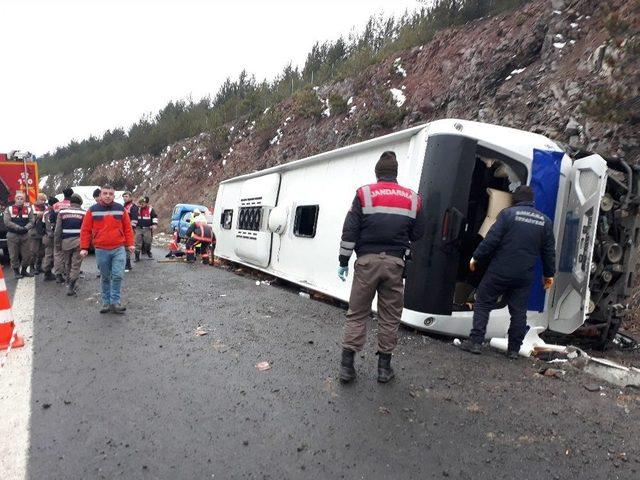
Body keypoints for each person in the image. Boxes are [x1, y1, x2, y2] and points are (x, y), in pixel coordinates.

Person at [337, 151, 425, 384]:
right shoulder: (413, 198)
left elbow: (350, 231)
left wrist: (343, 261)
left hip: (367, 263)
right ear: (395, 174)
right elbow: (418, 233)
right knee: (389, 317)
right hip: (395, 265)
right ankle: (384, 370)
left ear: (377, 173)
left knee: (357, 313)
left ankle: (347, 368)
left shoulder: (364, 194)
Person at [458, 185, 556, 359]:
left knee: (483, 301)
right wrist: (549, 274)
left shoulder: (507, 214)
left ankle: (475, 342)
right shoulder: (545, 221)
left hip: (500, 271)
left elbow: (491, 240)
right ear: (532, 201)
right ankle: (513, 350)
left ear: (516, 199)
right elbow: (548, 252)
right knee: (518, 312)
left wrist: (476, 257)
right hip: (524, 275)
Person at [79, 185, 135, 314]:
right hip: (101, 249)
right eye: (105, 193)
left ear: (114, 195)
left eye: (110, 193)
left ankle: (115, 302)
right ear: (101, 195)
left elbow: (127, 228)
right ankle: (106, 302)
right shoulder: (92, 210)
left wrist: (130, 243)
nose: (108, 196)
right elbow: (85, 230)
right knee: (105, 277)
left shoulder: (120, 209)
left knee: (117, 275)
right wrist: (84, 247)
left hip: (118, 248)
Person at [54, 194, 86, 296]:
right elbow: (86, 230)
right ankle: (72, 285)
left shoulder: (62, 212)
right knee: (75, 265)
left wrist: (57, 244)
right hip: (79, 242)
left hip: (65, 242)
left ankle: (69, 281)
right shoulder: (84, 213)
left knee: (67, 263)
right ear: (80, 202)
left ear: (70, 202)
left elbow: (57, 230)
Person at [4, 191, 35, 278]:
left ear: (24, 200)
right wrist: (17, 227)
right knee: (13, 255)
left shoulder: (28, 209)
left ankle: (24, 271)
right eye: (18, 198)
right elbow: (7, 221)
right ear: (15, 199)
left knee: (27, 255)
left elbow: (32, 221)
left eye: (22, 198)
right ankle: (16, 272)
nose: (20, 200)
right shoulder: (9, 209)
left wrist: (26, 228)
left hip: (25, 235)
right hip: (12, 235)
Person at [51, 187, 74, 283]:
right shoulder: (73, 205)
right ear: (72, 195)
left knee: (58, 253)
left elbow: (51, 218)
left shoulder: (56, 205)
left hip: (58, 232)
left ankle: (58, 275)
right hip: (70, 233)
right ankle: (70, 273)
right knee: (71, 254)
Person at [29, 193, 48, 275]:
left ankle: (39, 267)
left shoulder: (47, 207)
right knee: (33, 251)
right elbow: (30, 221)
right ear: (37, 199)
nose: (43, 201)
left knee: (42, 252)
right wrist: (38, 216)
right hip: (34, 233)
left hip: (43, 232)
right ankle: (31, 267)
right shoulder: (31, 208)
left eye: (44, 200)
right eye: (41, 199)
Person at [134, 196, 157, 262]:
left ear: (146, 203)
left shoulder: (150, 209)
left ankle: (148, 251)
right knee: (137, 243)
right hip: (138, 228)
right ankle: (137, 257)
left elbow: (155, 217)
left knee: (148, 241)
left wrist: (154, 224)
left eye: (143, 203)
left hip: (147, 229)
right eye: (140, 202)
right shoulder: (136, 208)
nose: (142, 204)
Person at [42, 196, 59, 281]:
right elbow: (49, 227)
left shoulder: (45, 212)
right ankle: (47, 273)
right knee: (50, 256)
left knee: (50, 255)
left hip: (47, 236)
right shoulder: (49, 213)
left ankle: (48, 272)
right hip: (50, 237)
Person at [122, 191, 138, 271]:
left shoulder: (133, 207)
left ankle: (127, 264)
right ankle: (126, 264)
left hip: (129, 230)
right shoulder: (123, 207)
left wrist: (130, 229)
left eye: (126, 196)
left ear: (130, 197)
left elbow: (134, 220)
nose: (125, 198)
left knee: (127, 247)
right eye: (124, 196)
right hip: (122, 229)